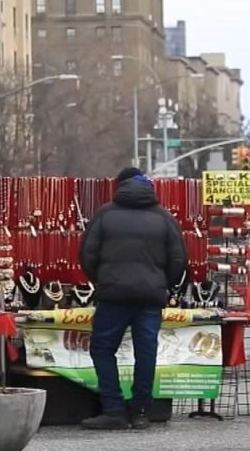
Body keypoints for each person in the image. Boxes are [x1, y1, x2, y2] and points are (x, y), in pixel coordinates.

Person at [79, 167, 186, 430]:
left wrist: (102, 280)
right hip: (150, 297)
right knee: (146, 352)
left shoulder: (104, 214)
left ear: (119, 186)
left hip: (113, 294)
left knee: (103, 349)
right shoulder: (164, 218)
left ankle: (114, 410)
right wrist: (163, 284)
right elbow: (179, 259)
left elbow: (87, 254)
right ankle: (140, 412)